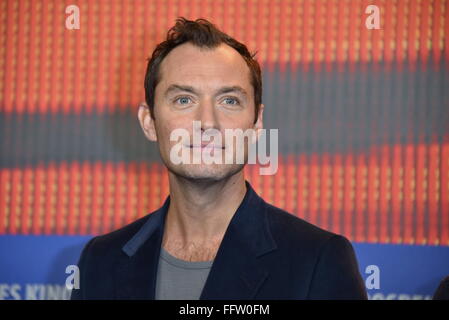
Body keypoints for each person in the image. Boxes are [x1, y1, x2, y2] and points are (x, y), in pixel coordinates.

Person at [71, 17, 367, 300]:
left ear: (256, 123)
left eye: (229, 101)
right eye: (184, 100)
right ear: (149, 121)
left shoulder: (318, 260)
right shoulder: (100, 261)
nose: (208, 123)